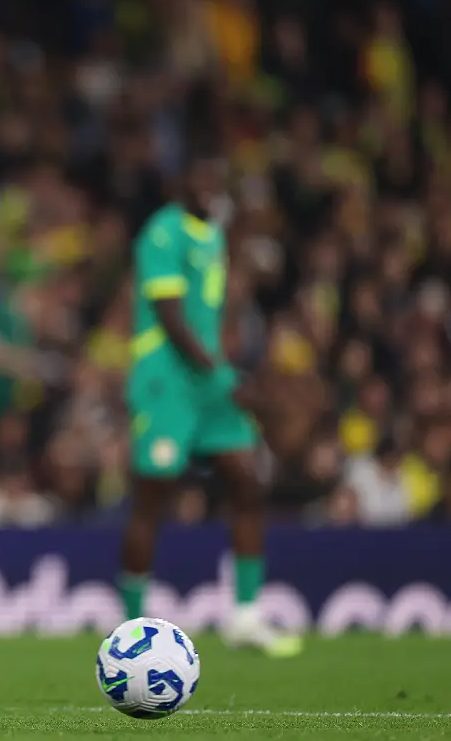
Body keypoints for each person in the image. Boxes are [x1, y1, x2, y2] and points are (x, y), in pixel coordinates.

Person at [119, 150, 302, 658]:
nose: (207, 186)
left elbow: (208, 316)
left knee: (247, 478)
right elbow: (171, 317)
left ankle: (245, 617)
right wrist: (222, 373)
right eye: (198, 175)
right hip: (166, 383)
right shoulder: (163, 231)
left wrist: (222, 367)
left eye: (213, 177)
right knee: (152, 497)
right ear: (180, 182)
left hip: (206, 382)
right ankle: (130, 626)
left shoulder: (214, 236)